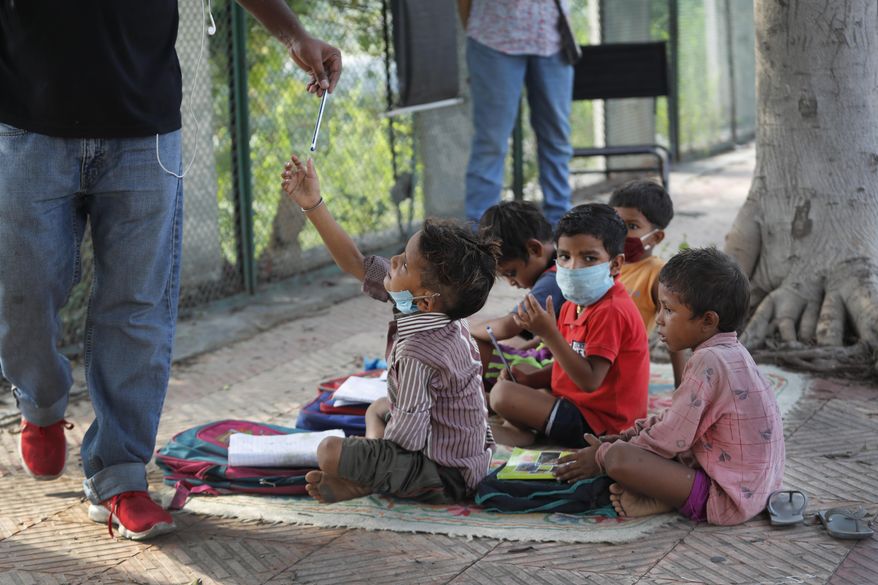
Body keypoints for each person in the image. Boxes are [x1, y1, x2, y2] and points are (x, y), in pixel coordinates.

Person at [0, 0, 341, 541]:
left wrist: (291, 33)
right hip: (24, 121)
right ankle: (39, 401)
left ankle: (120, 476)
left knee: (137, 305)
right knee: (20, 291)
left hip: (144, 124)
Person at [281, 154, 497, 504]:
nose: (393, 262)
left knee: (329, 452)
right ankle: (365, 479)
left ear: (425, 300)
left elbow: (407, 438)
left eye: (404, 263)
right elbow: (355, 261)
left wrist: (366, 459)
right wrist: (312, 204)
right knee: (378, 406)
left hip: (444, 476)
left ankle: (367, 481)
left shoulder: (418, 351)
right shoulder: (438, 312)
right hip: (465, 459)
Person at [554, 248, 785, 526]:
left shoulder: (708, 360)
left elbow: (671, 437)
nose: (660, 319)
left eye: (669, 309)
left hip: (727, 498)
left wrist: (602, 456)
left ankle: (667, 499)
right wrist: (625, 437)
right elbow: (677, 419)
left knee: (618, 460)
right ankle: (661, 496)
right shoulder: (733, 352)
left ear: (707, 321)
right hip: (756, 489)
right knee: (624, 449)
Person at [489, 203, 650, 448]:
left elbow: (590, 381)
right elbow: (566, 368)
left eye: (589, 257)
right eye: (565, 256)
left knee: (502, 395)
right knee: (519, 374)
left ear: (615, 264)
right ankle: (521, 430)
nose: (573, 267)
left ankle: (520, 432)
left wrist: (549, 334)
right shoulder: (572, 304)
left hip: (604, 425)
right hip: (576, 405)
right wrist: (530, 381)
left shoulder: (611, 309)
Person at [457, 0, 573, 225]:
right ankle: (479, 234)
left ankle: (561, 227)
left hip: (553, 38)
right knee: (491, 142)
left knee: (557, 138)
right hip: (492, 38)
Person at [471, 201, 563, 389]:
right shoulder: (555, 271)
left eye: (511, 273)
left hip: (553, 365)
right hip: (550, 352)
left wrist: (467, 331)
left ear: (534, 249)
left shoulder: (553, 279)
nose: (511, 282)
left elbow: (509, 326)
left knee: (473, 345)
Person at [609, 180, 687, 385]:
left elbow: (675, 333)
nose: (621, 233)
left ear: (656, 237)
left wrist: (681, 388)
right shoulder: (602, 262)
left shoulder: (656, 274)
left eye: (632, 226)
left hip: (617, 370)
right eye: (616, 224)